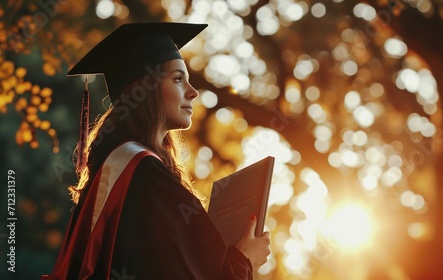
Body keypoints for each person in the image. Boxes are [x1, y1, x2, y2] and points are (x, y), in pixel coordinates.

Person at [41, 22, 271, 279]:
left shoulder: (119, 168)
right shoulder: (144, 173)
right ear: (146, 88)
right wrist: (244, 261)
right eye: (177, 79)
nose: (193, 92)